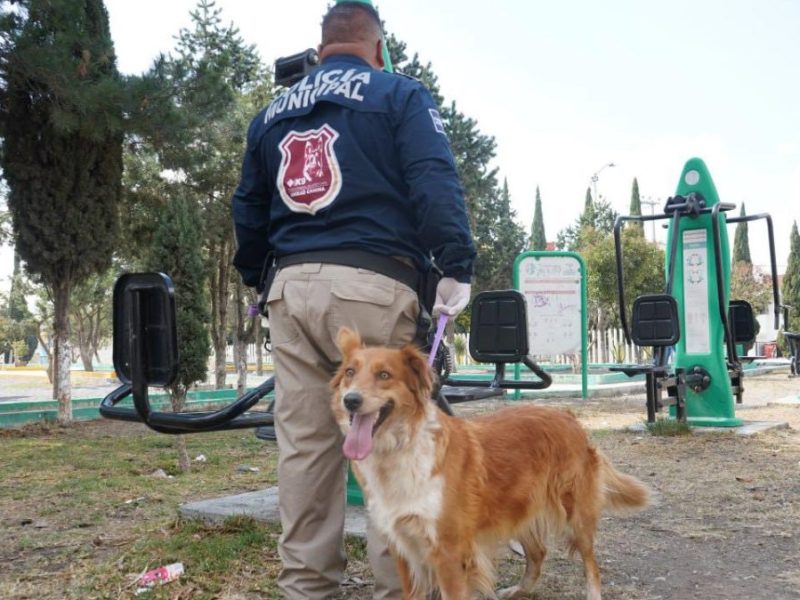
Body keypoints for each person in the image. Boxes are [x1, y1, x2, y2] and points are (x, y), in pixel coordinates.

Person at [231, 2, 476, 598]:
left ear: (321, 49)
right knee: (393, 441)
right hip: (373, 282)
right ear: (377, 47)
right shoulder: (399, 93)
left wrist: (258, 276)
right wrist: (456, 263)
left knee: (305, 447)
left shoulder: (271, 114)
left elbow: (249, 208)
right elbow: (433, 179)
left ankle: (306, 586)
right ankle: (400, 587)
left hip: (290, 287)